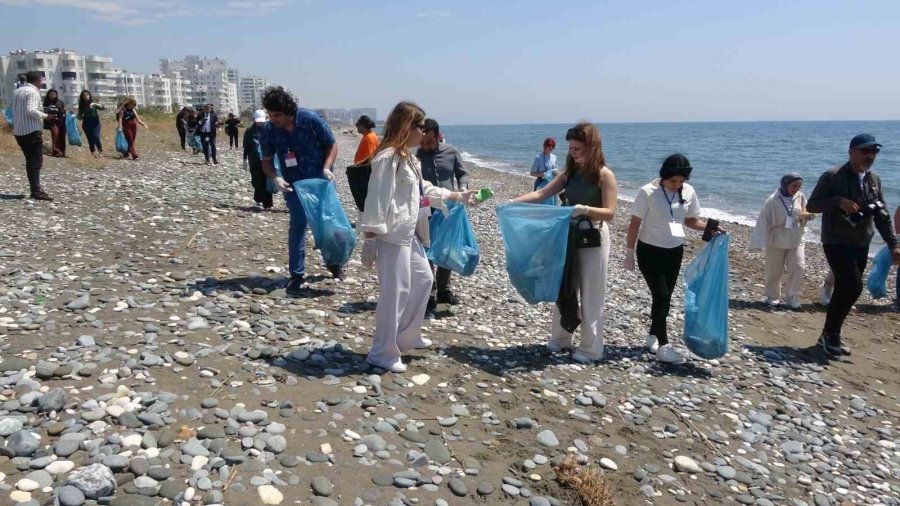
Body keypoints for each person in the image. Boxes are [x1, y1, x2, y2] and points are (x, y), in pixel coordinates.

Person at [359, 101, 477, 372]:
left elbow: (423, 189)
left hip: (408, 233)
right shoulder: (387, 158)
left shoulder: (407, 158)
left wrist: (456, 195)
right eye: (420, 127)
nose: (423, 132)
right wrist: (370, 239)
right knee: (395, 292)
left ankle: (407, 335)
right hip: (390, 236)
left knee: (424, 279)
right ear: (407, 127)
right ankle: (382, 351)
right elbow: (376, 199)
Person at [511, 122, 618, 363]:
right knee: (564, 286)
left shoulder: (604, 175)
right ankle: (560, 338)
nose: (573, 152)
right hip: (567, 235)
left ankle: (591, 349)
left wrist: (585, 209)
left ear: (592, 147)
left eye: (578, 148)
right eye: (571, 148)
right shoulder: (569, 173)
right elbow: (541, 194)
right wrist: (513, 202)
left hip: (593, 236)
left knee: (591, 292)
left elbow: (610, 212)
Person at [624, 154, 724, 363]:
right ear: (664, 176)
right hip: (649, 250)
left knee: (665, 296)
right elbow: (634, 223)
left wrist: (710, 228)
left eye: (681, 181)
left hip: (674, 250)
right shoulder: (647, 191)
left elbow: (690, 221)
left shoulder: (688, 191)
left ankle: (653, 333)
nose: (676, 185)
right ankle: (663, 345)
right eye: (672, 181)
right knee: (660, 294)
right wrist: (629, 253)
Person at [806, 134, 899, 357]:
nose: (870, 156)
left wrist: (893, 244)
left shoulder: (874, 180)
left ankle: (828, 336)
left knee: (845, 289)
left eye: (874, 152)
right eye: (865, 151)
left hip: (861, 242)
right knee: (853, 287)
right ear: (852, 152)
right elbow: (812, 205)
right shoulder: (833, 176)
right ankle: (830, 336)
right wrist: (839, 201)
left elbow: (882, 214)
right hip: (836, 240)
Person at [259, 86, 341, 293]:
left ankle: (335, 263)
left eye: (276, 115)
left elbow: (332, 145)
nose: (273, 119)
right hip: (293, 185)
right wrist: (275, 177)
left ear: (288, 110)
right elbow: (266, 160)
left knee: (327, 224)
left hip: (321, 181)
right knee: (297, 227)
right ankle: (296, 274)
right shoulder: (270, 130)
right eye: (270, 115)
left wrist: (326, 167)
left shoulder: (310, 120)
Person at [416, 118, 471, 310]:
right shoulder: (416, 156)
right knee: (427, 247)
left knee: (447, 247)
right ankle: (429, 290)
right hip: (425, 208)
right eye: (422, 142)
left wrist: (463, 188)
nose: (426, 147)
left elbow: (462, 173)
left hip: (449, 207)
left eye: (430, 142)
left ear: (438, 136)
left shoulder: (451, 151)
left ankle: (444, 289)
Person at [749, 173, 815, 308]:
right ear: (785, 184)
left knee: (798, 266)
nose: (796, 188)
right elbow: (763, 221)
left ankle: (791, 296)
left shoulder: (800, 196)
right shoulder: (772, 200)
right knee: (774, 269)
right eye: (794, 186)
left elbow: (807, 210)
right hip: (776, 238)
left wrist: (808, 215)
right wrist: (758, 243)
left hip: (796, 237)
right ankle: (772, 296)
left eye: (799, 186)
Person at [12, 71, 52, 201]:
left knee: (30, 161)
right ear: (38, 80)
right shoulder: (33, 92)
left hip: (19, 131)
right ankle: (36, 190)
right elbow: (31, 110)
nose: (42, 82)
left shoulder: (18, 91)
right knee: (35, 161)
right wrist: (46, 116)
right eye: (41, 80)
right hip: (31, 130)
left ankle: (35, 188)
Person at [243, 109, 272, 210]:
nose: (260, 123)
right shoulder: (249, 131)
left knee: (266, 180)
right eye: (258, 121)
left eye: (262, 121)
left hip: (267, 160)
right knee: (256, 180)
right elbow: (246, 146)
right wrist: (244, 159)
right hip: (254, 159)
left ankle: (267, 204)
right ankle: (258, 199)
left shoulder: (269, 129)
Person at [77, 89, 105, 157]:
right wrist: (76, 116)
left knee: (96, 136)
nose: (86, 96)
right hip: (86, 123)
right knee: (90, 139)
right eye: (84, 95)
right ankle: (93, 153)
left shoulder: (93, 103)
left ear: (89, 95)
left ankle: (100, 149)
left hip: (95, 123)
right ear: (82, 97)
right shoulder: (81, 105)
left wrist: (95, 104)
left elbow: (103, 107)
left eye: (87, 94)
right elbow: (80, 117)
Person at [42, 88, 67, 157]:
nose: (53, 96)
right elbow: (44, 111)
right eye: (51, 94)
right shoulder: (46, 102)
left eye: (54, 94)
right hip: (52, 122)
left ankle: (62, 152)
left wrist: (60, 108)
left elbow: (64, 111)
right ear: (48, 95)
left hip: (61, 121)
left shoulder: (60, 102)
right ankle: (56, 151)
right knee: (55, 134)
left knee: (62, 136)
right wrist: (49, 108)